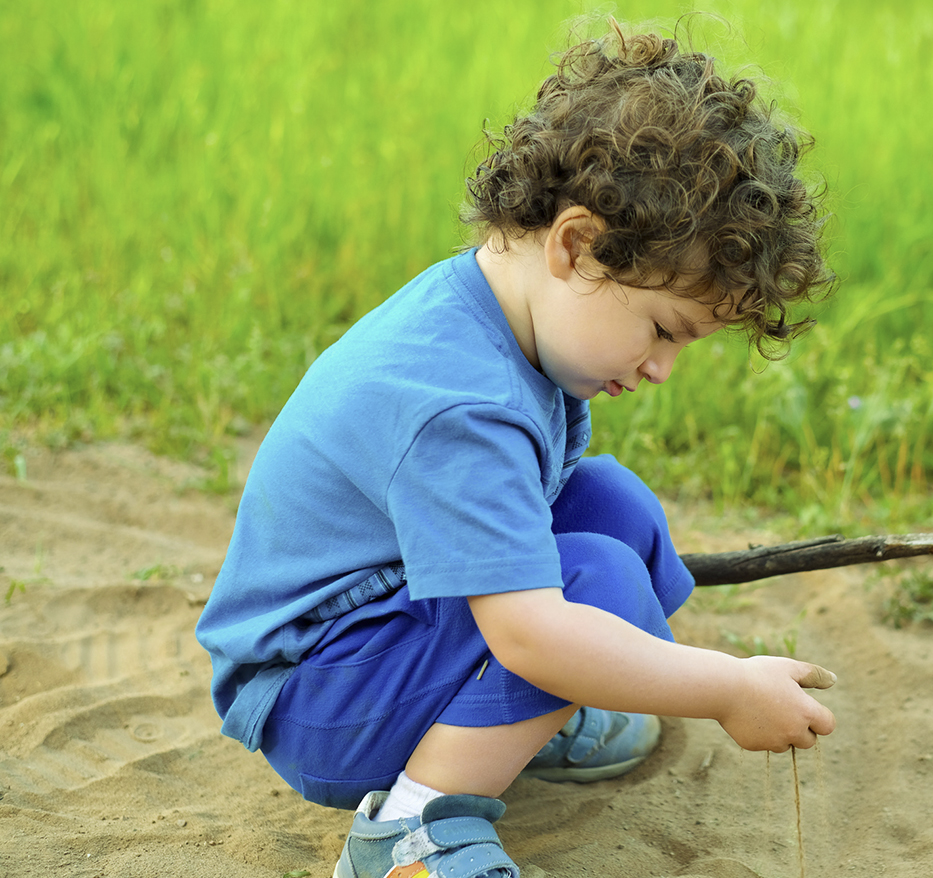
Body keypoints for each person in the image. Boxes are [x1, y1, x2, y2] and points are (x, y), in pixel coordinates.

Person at [195, 21, 837, 878]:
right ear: (574, 245)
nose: (661, 369)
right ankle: (412, 830)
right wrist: (723, 687)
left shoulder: (500, 311)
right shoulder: (462, 402)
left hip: (380, 625)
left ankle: (523, 716)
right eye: (662, 331)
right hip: (316, 694)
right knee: (596, 590)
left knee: (616, 510)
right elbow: (532, 631)